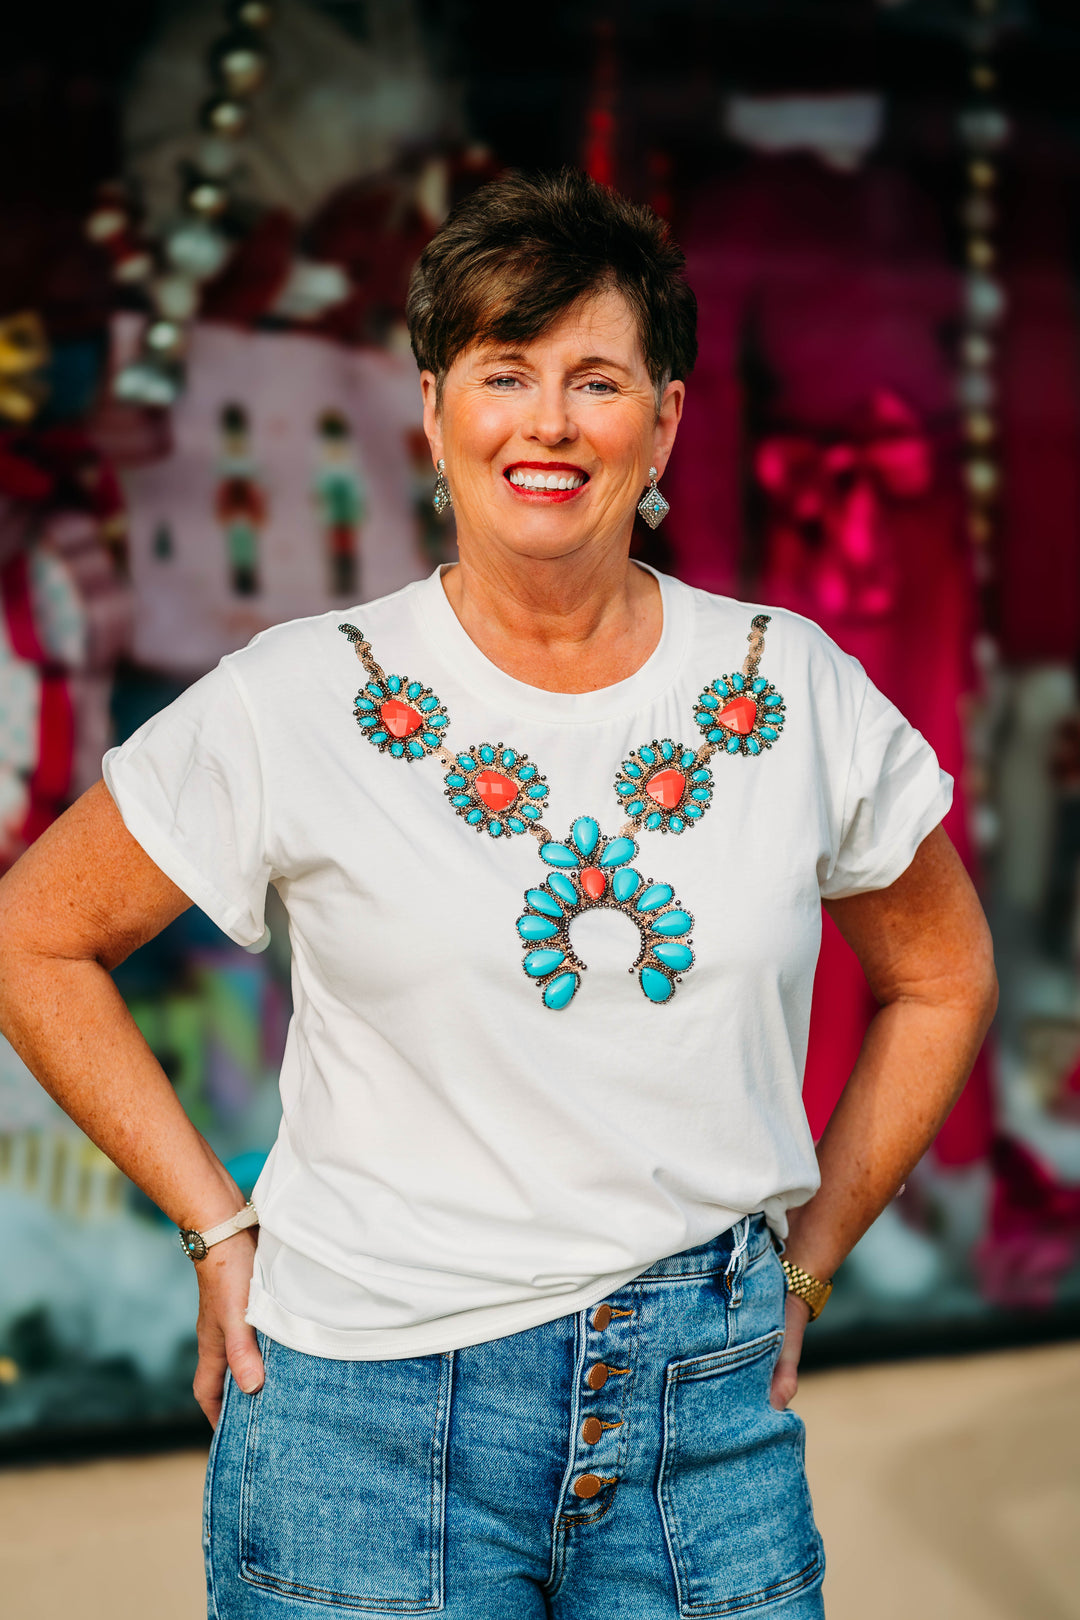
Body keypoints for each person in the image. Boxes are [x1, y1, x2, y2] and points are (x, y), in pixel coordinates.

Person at [0, 170, 996, 1618]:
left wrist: (814, 1261)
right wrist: (216, 1230)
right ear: (432, 409)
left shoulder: (791, 686)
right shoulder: (302, 695)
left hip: (700, 1430)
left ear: (662, 422)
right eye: (504, 372)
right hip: (363, 1425)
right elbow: (35, 937)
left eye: (597, 379)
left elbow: (944, 974)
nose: (547, 422)